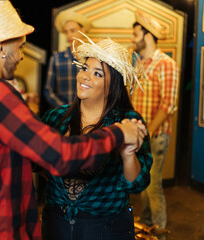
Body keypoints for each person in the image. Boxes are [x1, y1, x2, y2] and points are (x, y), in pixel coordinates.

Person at [0, 1, 147, 239]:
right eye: (20, 47)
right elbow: (60, 155)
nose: (20, 56)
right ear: (1, 48)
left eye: (98, 73)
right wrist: (119, 134)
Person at [39, 33, 153, 240]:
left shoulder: (128, 122)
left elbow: (137, 184)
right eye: (84, 68)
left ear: (112, 86)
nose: (85, 76)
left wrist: (128, 154)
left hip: (106, 230)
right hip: (56, 226)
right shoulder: (56, 118)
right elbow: (41, 164)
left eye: (98, 74)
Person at [131, 10, 179, 234]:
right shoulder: (141, 63)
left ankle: (159, 232)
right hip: (142, 134)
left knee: (153, 186)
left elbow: (168, 105)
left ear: (147, 36)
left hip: (156, 136)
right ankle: (148, 226)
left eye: (135, 34)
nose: (133, 39)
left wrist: (147, 132)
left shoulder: (165, 64)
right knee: (143, 184)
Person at [43, 10, 92, 108]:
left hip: (89, 111)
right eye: (66, 32)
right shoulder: (57, 58)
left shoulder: (92, 58)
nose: (69, 35)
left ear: (82, 30)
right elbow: (48, 90)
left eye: (72, 30)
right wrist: (64, 108)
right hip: (64, 113)